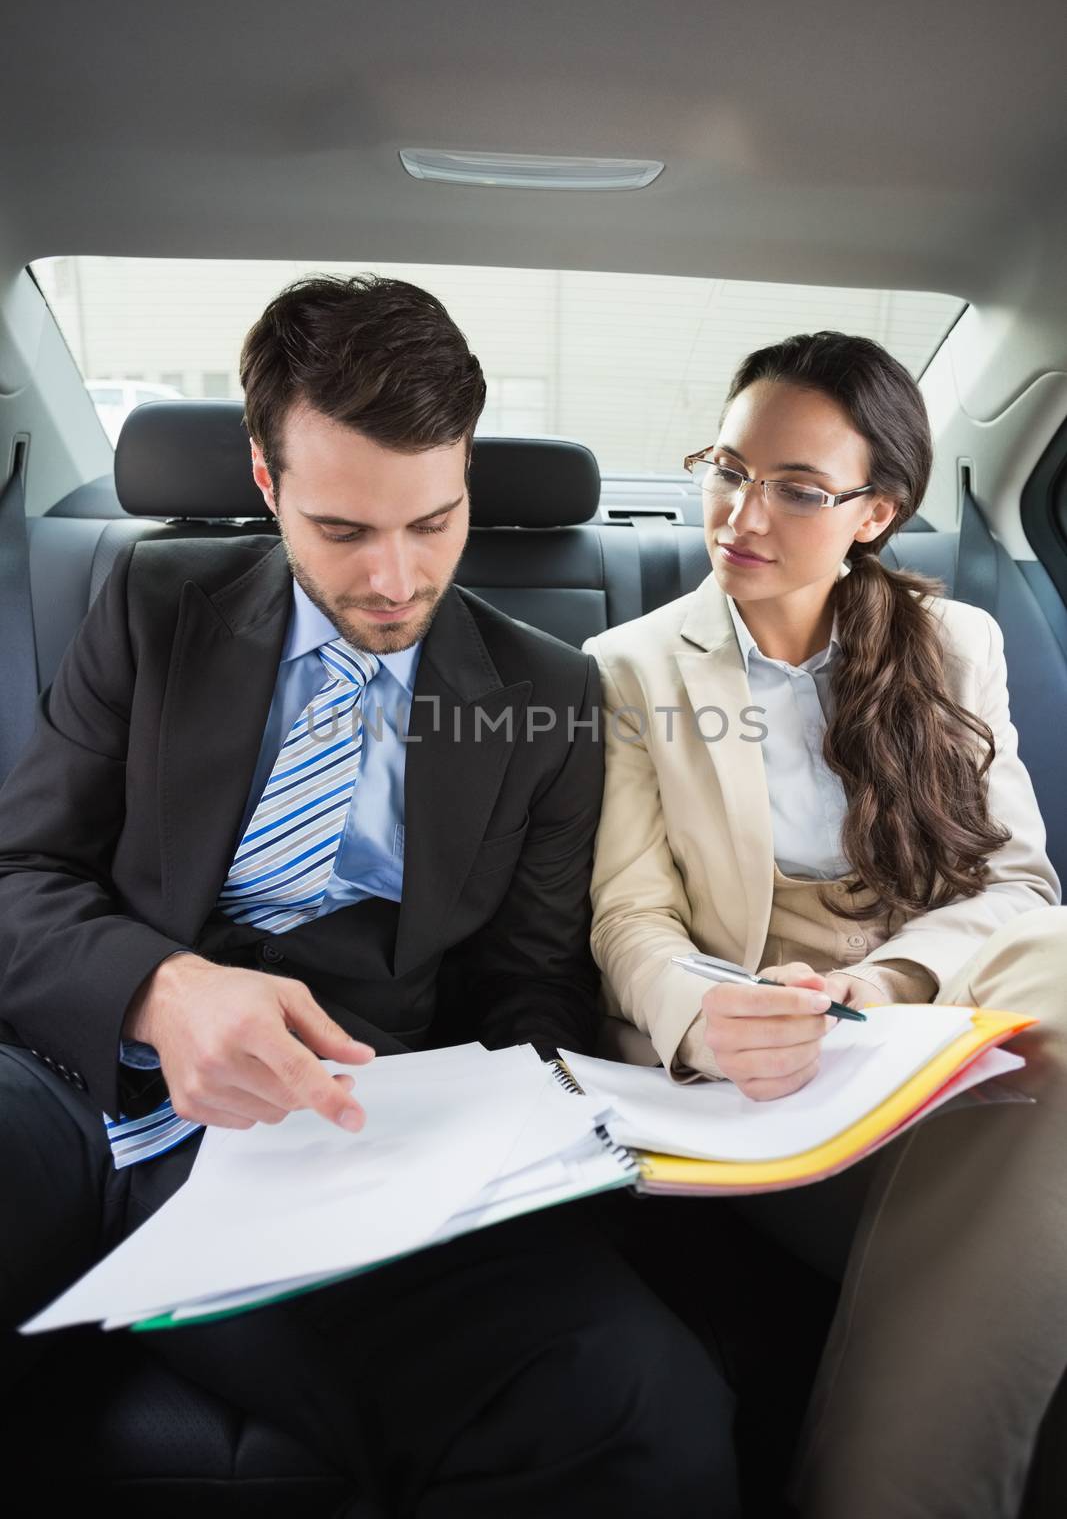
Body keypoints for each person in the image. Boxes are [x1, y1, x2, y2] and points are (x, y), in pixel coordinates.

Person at [0, 274, 739, 1516]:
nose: (396, 578)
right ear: (265, 481)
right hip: (69, 1086)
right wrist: (158, 990)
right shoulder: (148, 608)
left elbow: (526, 985)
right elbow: (21, 876)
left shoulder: (546, 694)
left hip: (343, 1125)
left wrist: (531, 1142)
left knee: (637, 1401)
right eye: (343, 530)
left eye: (433, 523)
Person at [583, 330, 1067, 1519]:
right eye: (727, 468)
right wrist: (709, 1016)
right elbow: (629, 918)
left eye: (796, 489)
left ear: (872, 512)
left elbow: (1016, 889)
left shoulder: (957, 645)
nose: (742, 512)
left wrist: (895, 984)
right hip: (766, 1060)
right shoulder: (626, 668)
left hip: (936, 1014)